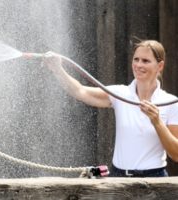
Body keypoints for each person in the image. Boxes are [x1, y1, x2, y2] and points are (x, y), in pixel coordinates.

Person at [43, 40, 178, 177]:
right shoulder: (119, 94)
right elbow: (80, 92)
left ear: (160, 66)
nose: (138, 65)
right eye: (136, 59)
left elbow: (176, 154)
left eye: (145, 61)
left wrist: (157, 122)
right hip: (118, 177)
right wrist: (58, 69)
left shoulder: (170, 102)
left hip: (155, 179)